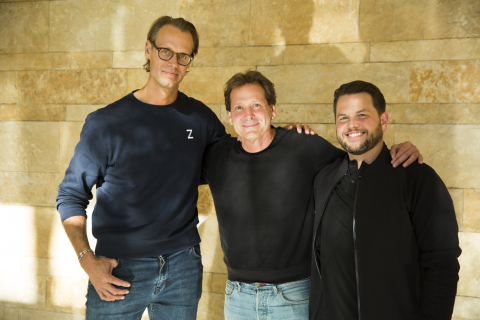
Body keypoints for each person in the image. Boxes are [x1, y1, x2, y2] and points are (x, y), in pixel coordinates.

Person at [201, 71, 422, 320]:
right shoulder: (217, 156)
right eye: (239, 107)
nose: (248, 115)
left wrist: (397, 149)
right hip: (236, 297)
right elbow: (174, 170)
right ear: (229, 116)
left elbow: (358, 158)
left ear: (272, 110)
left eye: (256, 105)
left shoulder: (303, 146)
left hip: (293, 295)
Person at [56, 16, 226, 319]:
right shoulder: (106, 123)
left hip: (183, 265)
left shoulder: (200, 119)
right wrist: (87, 260)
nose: (174, 62)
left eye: (183, 56)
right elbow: (71, 195)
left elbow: (232, 160)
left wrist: (285, 135)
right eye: (166, 51)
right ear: (148, 50)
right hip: (118, 268)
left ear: (190, 62)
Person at [310, 80, 461, 320]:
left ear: (383, 120)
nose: (352, 125)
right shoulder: (324, 179)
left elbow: (442, 264)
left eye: (362, 115)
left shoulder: (417, 179)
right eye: (343, 118)